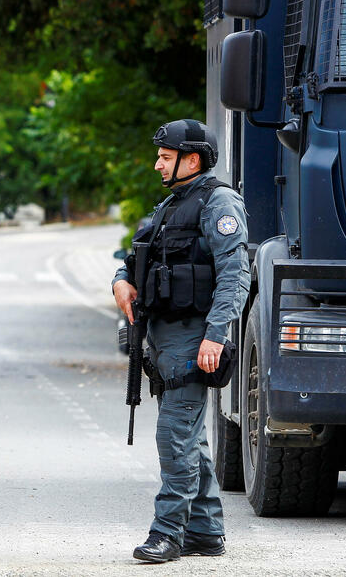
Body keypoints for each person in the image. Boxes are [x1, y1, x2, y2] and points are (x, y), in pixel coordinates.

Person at [112, 119, 249, 563]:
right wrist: (121, 281)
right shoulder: (172, 204)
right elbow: (138, 259)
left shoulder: (217, 203)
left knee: (174, 438)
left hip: (193, 339)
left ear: (192, 160)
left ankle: (167, 532)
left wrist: (215, 335)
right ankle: (206, 532)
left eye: (165, 158)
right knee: (190, 439)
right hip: (167, 340)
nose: (157, 165)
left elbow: (235, 274)